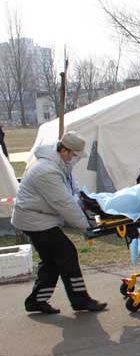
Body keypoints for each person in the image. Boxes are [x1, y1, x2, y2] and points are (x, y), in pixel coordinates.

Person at [11, 132, 107, 314]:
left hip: (38, 217)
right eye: (74, 155)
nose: (75, 159)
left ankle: (36, 301)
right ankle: (80, 300)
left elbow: (72, 192)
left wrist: (86, 204)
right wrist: (87, 226)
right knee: (66, 253)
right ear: (64, 151)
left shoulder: (58, 165)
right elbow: (64, 204)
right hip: (35, 220)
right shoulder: (47, 171)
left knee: (52, 261)